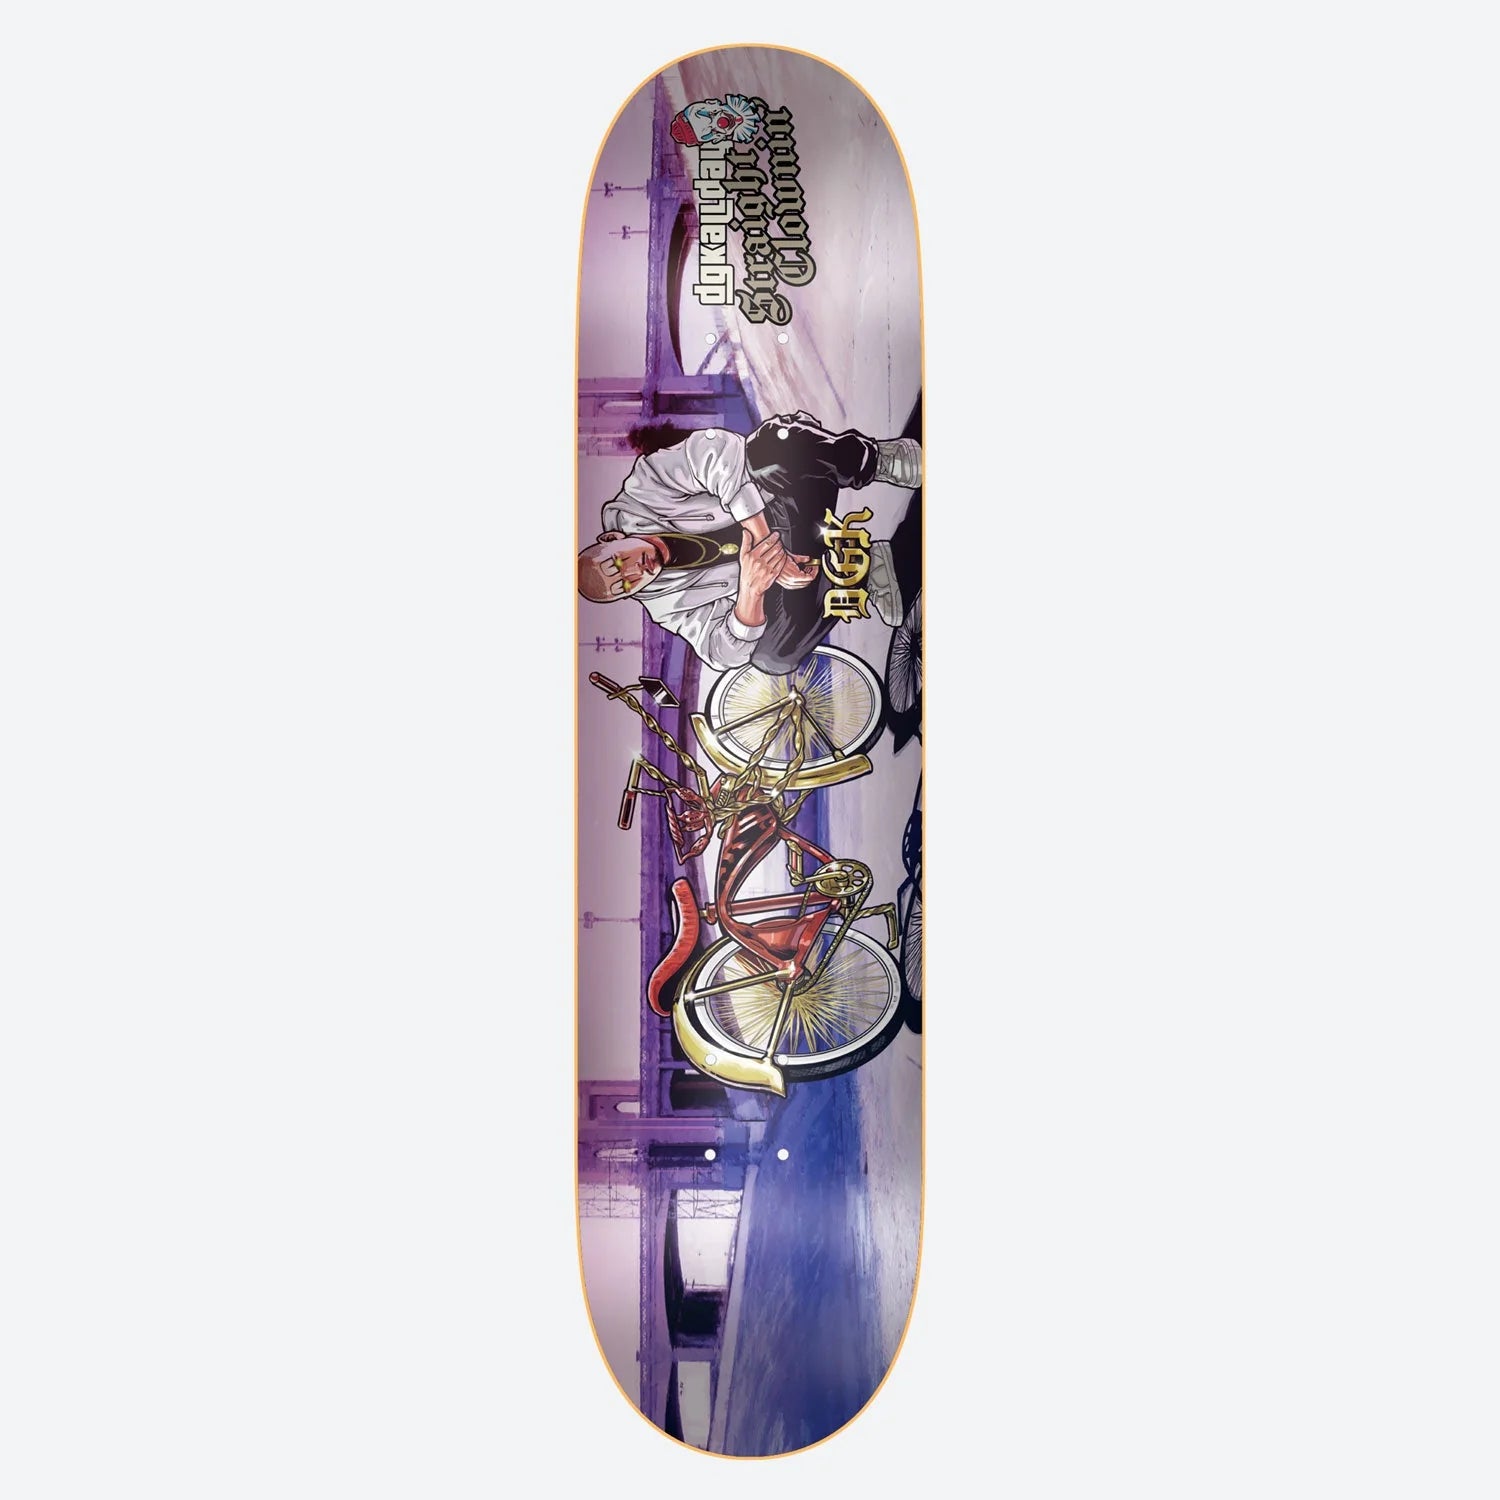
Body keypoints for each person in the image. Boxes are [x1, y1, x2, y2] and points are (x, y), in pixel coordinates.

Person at [577, 413, 920, 674]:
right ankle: (868, 568)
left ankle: (879, 460)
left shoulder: (644, 487)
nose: (635, 571)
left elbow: (712, 451)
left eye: (619, 562)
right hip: (797, 559)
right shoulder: (664, 603)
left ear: (611, 538)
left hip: (793, 489)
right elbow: (719, 653)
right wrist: (751, 592)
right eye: (625, 585)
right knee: (771, 656)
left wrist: (762, 538)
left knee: (766, 450)